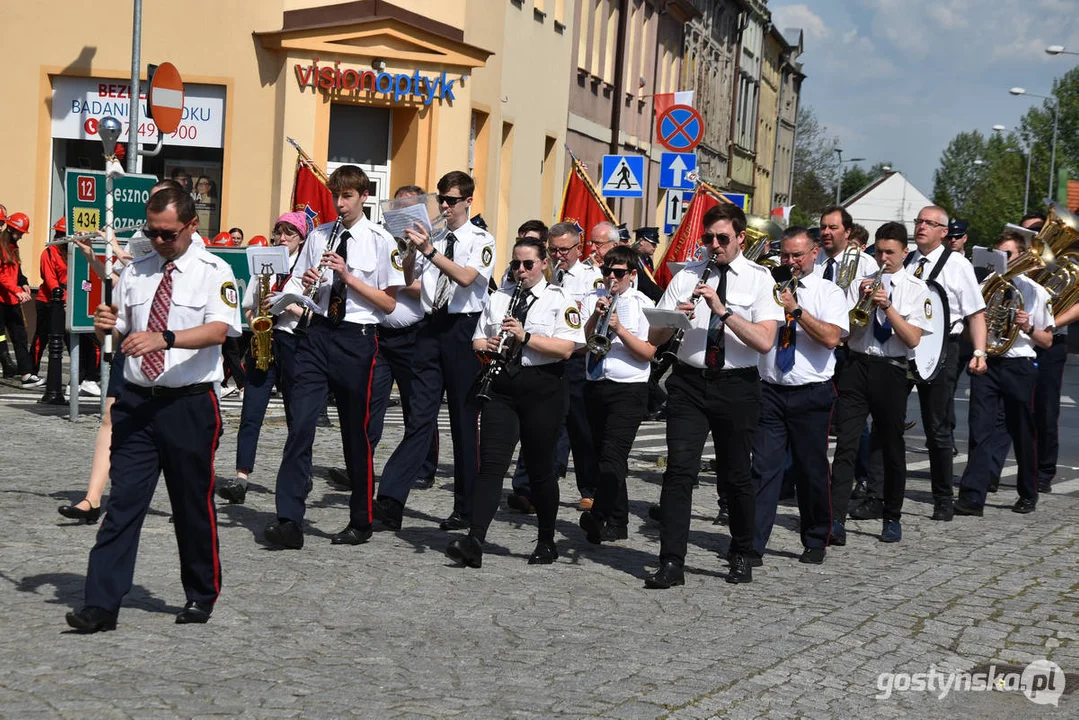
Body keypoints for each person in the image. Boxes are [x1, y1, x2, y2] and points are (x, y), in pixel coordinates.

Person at [65, 186, 242, 632]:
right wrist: (107, 324)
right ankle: (101, 604)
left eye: (167, 234)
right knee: (123, 503)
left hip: (189, 403)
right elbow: (123, 324)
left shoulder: (213, 271)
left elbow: (221, 330)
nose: (158, 241)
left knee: (190, 504)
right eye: (151, 232)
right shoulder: (137, 271)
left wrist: (166, 338)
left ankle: (201, 593)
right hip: (138, 403)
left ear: (190, 225)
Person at [644, 203, 783, 589]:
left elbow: (765, 341)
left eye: (723, 238)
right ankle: (671, 561)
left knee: (736, 474)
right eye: (709, 239)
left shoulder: (759, 280)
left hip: (736, 385)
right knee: (679, 471)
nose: (715, 246)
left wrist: (721, 311)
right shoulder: (686, 276)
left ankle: (741, 552)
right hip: (689, 382)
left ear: (741, 238)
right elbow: (652, 340)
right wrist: (674, 319)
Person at [264, 165, 402, 549]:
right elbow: (294, 283)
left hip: (356, 338)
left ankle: (361, 519)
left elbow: (389, 303)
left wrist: (349, 276)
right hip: (316, 333)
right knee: (300, 424)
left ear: (363, 196)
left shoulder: (380, 240)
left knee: (354, 432)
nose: (339, 205)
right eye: (335, 197)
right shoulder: (320, 235)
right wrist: (304, 284)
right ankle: (288, 519)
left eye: (347, 197)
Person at [57, 179, 190, 524]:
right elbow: (121, 280)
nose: (157, 234)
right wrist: (90, 253)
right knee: (110, 416)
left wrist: (114, 245)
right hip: (132, 342)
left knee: (174, 430)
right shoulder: (140, 237)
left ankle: (186, 501)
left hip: (172, 350)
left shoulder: (188, 241)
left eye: (160, 198)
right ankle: (92, 498)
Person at [444, 238, 582, 567]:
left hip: (543, 389)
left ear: (544, 264)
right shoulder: (499, 298)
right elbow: (477, 337)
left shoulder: (559, 299)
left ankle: (547, 539)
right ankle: (475, 539)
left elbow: (567, 347)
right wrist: (489, 343)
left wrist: (526, 338)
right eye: (515, 265)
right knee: (491, 466)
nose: (520, 271)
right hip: (502, 387)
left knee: (539, 470)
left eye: (528, 265)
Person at [373, 171, 495, 532]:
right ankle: (391, 501)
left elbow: (466, 277)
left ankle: (466, 508)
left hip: (462, 329)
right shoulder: (434, 236)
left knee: (462, 422)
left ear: (468, 202)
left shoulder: (480, 238)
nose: (444, 206)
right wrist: (410, 250)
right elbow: (409, 279)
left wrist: (430, 250)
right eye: (441, 198)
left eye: (452, 200)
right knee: (419, 417)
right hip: (429, 329)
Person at [829, 223, 931, 545]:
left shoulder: (917, 289)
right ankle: (835, 518)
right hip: (858, 366)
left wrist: (888, 306)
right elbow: (844, 331)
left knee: (891, 445)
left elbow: (913, 338)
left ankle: (892, 516)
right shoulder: (861, 283)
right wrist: (858, 303)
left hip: (892, 370)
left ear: (904, 253)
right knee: (846, 443)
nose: (883, 258)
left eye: (890, 252)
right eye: (879, 252)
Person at [752, 227, 848, 565]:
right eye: (786, 256)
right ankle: (753, 544)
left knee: (811, 469)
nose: (791, 262)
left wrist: (797, 311)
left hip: (811, 393)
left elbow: (832, 338)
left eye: (797, 256)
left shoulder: (828, 292)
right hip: (770, 390)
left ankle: (815, 537)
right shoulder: (768, 289)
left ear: (813, 255)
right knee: (764, 468)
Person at [955, 230, 1054, 516]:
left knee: (1022, 431)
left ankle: (1027, 493)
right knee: (980, 429)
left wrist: (1027, 327)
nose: (1002, 260)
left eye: (1007, 255)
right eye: (998, 255)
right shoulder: (985, 285)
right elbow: (968, 331)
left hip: (1019, 365)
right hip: (988, 363)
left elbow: (1046, 340)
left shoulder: (1035, 291)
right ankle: (973, 497)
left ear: (1022, 256)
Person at [218, 212, 310, 504]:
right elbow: (247, 308)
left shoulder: (307, 268)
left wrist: (289, 306)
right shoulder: (264, 264)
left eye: (289, 234)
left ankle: (301, 473)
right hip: (264, 341)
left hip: (294, 342)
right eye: (278, 233)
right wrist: (257, 318)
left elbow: (314, 313)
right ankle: (241, 476)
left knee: (298, 416)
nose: (282, 239)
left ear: (301, 238)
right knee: (251, 412)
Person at [904, 205, 988, 521]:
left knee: (937, 426)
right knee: (889, 420)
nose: (921, 226)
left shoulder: (957, 265)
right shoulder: (909, 262)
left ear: (943, 231)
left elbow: (975, 313)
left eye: (929, 223)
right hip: (908, 346)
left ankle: (942, 498)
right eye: (919, 221)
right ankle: (878, 493)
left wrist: (979, 352)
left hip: (943, 349)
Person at [362, 185, 438, 493]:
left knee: (416, 406)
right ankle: (362, 462)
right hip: (382, 336)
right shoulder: (382, 240)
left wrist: (397, 283)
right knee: (371, 402)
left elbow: (429, 290)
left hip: (413, 336)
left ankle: (424, 467)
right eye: (396, 209)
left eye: (408, 209)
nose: (400, 215)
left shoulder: (431, 244)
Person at [578, 244, 655, 544]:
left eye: (618, 273)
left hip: (629, 389)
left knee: (613, 456)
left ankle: (599, 515)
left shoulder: (643, 303)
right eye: (606, 271)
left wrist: (619, 328)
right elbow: (581, 342)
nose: (611, 277)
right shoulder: (592, 299)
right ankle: (617, 523)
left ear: (632, 274)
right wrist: (593, 320)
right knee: (604, 458)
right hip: (596, 384)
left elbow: (647, 352)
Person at [31, 216, 101, 395]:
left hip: (72, 301)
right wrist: (62, 299)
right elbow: (50, 281)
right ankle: (30, 371)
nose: (63, 238)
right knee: (44, 338)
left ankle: (80, 380)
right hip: (50, 302)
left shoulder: (75, 251)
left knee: (76, 344)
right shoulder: (49, 253)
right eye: (61, 234)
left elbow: (83, 275)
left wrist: (80, 297)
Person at [1023, 212, 1065, 493]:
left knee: (1046, 410)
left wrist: (1047, 324)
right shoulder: (1021, 260)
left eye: (1039, 229)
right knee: (1017, 408)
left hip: (1051, 339)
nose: (1035, 235)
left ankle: (1044, 472)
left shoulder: (1064, 262)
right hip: (1019, 340)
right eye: (1028, 231)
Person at [0, 211, 42, 387]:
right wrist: (17, 291)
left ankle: (26, 374)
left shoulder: (12, 248)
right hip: (2, 300)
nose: (22, 237)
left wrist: (23, 282)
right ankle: (11, 367)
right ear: (10, 229)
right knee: (1, 336)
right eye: (20, 233)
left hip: (11, 300)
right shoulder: (1, 247)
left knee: (20, 336)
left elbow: (15, 272)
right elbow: (2, 276)